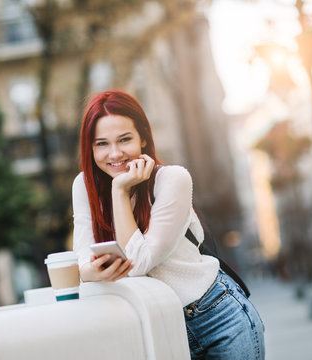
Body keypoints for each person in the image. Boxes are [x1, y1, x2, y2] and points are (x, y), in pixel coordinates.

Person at [72, 90, 265, 360]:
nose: (114, 153)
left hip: (218, 319)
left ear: (143, 137)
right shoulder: (84, 187)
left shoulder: (172, 180)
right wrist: (92, 271)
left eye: (124, 139)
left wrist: (119, 192)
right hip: (159, 328)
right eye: (101, 144)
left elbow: (139, 262)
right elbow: (80, 260)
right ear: (89, 148)